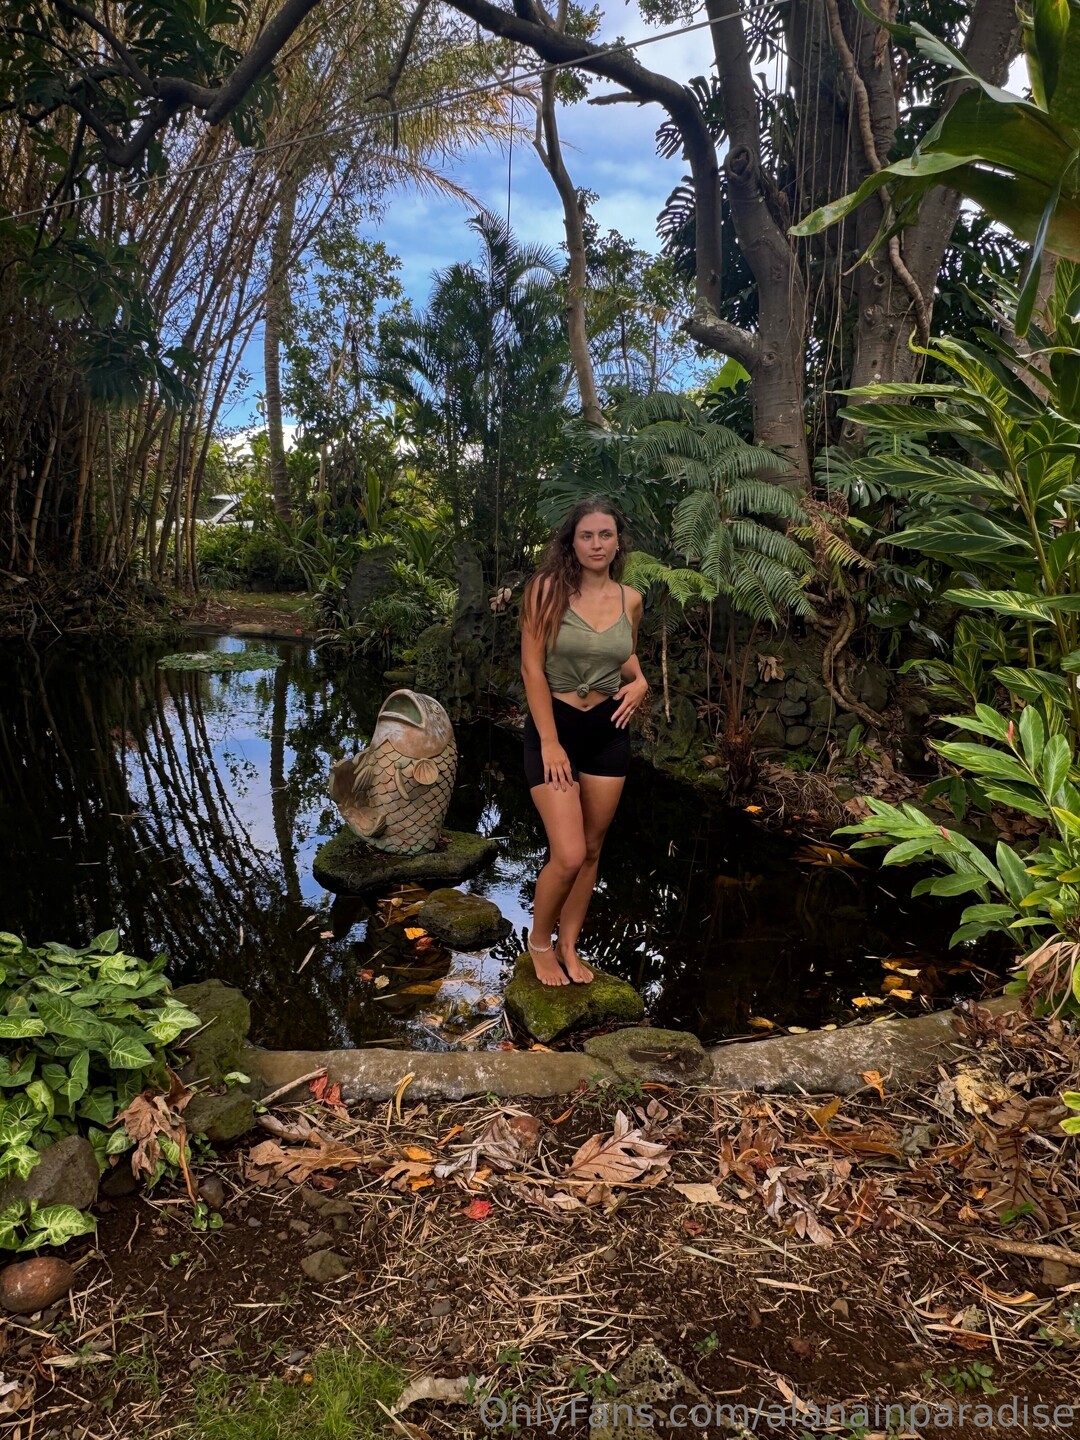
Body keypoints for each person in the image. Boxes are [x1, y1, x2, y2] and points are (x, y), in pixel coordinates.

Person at [519, 498, 649, 985]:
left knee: (592, 849)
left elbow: (622, 654)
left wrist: (641, 682)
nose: (597, 544)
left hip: (608, 730)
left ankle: (568, 945)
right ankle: (539, 943)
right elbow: (532, 668)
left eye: (605, 535)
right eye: (587, 535)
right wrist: (550, 743)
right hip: (554, 727)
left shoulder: (630, 599)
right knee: (569, 853)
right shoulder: (546, 590)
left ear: (618, 542)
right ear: (571, 543)